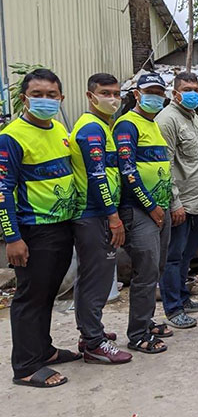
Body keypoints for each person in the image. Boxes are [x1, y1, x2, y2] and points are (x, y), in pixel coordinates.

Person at [0, 69, 79, 389]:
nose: (45, 100)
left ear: (61, 98)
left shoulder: (58, 128)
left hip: (61, 225)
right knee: (30, 297)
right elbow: (2, 188)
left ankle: (43, 350)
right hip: (33, 229)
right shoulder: (12, 136)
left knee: (47, 292)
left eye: (51, 95)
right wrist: (12, 237)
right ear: (24, 99)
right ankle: (25, 366)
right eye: (38, 95)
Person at [69, 73, 131, 364]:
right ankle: (94, 343)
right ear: (90, 95)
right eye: (105, 92)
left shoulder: (101, 127)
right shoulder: (92, 129)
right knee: (97, 278)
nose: (112, 99)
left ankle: (91, 332)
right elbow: (96, 177)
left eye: (116, 93)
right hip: (94, 214)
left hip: (96, 213)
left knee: (91, 277)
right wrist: (113, 217)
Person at [113, 72, 173, 355]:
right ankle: (137, 334)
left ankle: (146, 320)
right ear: (136, 95)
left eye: (159, 92)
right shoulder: (127, 124)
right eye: (150, 91)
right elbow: (127, 171)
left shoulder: (154, 125)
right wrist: (150, 206)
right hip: (139, 211)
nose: (156, 97)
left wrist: (166, 206)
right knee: (145, 272)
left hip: (160, 210)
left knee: (156, 269)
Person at [155, 72, 198, 330]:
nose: (194, 94)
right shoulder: (167, 120)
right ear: (175, 92)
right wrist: (174, 203)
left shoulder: (194, 117)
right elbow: (163, 166)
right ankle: (173, 308)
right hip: (181, 204)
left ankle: (184, 298)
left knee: (187, 256)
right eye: (188, 89)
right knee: (173, 257)